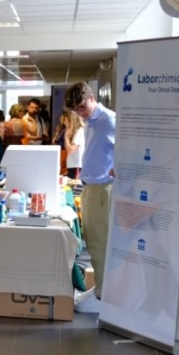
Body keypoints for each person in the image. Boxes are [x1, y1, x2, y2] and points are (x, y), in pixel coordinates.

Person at [66, 82, 115, 313]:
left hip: (103, 188)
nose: (79, 112)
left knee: (101, 243)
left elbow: (128, 149)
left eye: (82, 106)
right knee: (94, 242)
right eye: (75, 109)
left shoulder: (108, 120)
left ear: (92, 97)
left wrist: (118, 168)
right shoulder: (91, 121)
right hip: (92, 187)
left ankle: (103, 295)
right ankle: (101, 289)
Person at [61, 108, 85, 180]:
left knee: (75, 186)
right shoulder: (78, 132)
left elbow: (71, 150)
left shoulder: (80, 131)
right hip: (74, 166)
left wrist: (66, 137)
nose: (64, 123)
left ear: (71, 120)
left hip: (76, 166)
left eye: (65, 120)